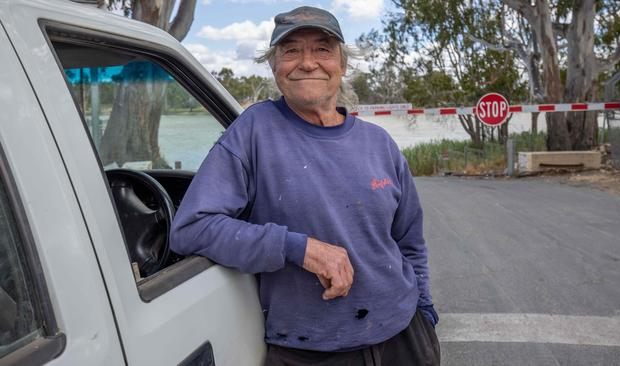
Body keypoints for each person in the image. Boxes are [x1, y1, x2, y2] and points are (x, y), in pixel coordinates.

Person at [170, 6, 440, 365]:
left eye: (323, 49)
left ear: (342, 65)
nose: (307, 62)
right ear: (274, 66)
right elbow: (193, 228)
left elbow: (409, 240)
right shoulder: (254, 131)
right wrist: (298, 248)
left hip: (403, 334)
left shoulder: (379, 143)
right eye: (291, 50)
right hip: (308, 350)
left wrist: (424, 309)